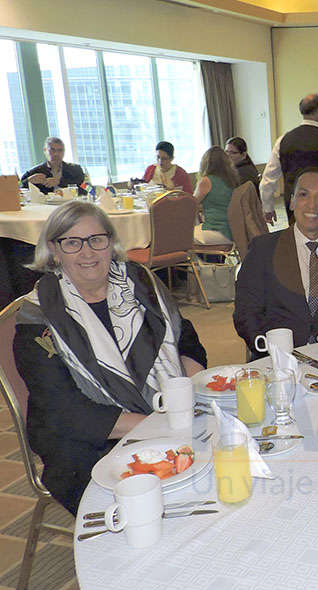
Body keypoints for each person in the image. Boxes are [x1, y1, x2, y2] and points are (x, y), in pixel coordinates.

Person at [12, 201, 207, 514]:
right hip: (88, 441)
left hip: (165, 417)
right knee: (152, 506)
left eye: (96, 240)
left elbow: (187, 341)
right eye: (72, 242)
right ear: (54, 250)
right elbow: (64, 408)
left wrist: (184, 396)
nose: (87, 253)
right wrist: (155, 427)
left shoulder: (142, 284)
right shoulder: (39, 317)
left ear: (111, 243)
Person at [234, 167, 318, 357]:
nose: (312, 205)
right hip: (277, 359)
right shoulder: (263, 249)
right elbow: (246, 312)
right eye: (304, 195)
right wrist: (268, 348)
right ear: (292, 201)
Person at [259, 94, 318, 227]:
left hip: (294, 204)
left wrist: (268, 208)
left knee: (296, 241)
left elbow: (268, 180)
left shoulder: (282, 140)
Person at [194, 146, 239, 244]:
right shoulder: (232, 179)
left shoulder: (206, 181)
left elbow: (191, 205)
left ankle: (204, 259)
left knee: (180, 237)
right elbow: (220, 202)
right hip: (233, 231)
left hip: (216, 231)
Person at [21, 137, 85, 194]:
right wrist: (28, 182)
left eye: (60, 150)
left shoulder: (76, 170)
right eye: (52, 150)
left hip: (70, 204)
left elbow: (87, 189)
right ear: (45, 151)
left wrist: (60, 183)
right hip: (44, 206)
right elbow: (18, 190)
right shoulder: (34, 172)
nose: (56, 154)